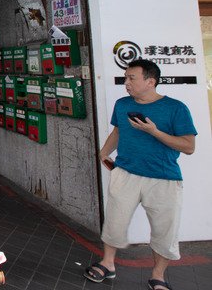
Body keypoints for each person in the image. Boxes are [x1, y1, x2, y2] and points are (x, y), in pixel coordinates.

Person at [84, 59, 196, 290]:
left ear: (150, 81)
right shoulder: (123, 104)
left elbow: (188, 146)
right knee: (114, 221)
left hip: (164, 178)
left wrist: (154, 131)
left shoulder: (176, 108)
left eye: (131, 78)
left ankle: (158, 276)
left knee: (164, 229)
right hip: (126, 174)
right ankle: (108, 264)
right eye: (126, 78)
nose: (126, 83)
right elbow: (118, 131)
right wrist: (104, 153)